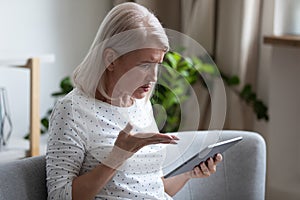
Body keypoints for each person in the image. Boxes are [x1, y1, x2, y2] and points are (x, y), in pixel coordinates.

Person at [46, 2, 223, 200]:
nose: (154, 77)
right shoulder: (72, 109)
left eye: (158, 64)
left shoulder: (141, 104)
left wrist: (190, 172)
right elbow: (59, 196)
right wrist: (117, 157)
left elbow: (154, 188)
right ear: (111, 59)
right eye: (145, 64)